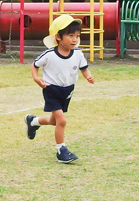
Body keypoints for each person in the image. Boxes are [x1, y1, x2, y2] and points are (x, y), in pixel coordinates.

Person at [25, 15, 95, 164]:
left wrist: (88, 76)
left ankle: (33, 122)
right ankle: (61, 151)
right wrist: (36, 78)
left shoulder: (78, 53)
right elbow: (35, 65)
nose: (75, 39)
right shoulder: (49, 54)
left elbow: (84, 69)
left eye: (77, 36)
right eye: (70, 36)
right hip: (51, 90)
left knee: (53, 120)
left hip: (67, 91)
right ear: (58, 37)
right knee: (61, 121)